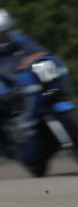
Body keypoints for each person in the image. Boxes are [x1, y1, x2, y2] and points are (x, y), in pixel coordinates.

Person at [0, 10, 49, 158]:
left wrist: (31, 59)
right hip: (7, 88)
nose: (2, 36)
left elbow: (41, 53)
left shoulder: (18, 39)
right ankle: (8, 142)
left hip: (29, 82)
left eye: (4, 33)